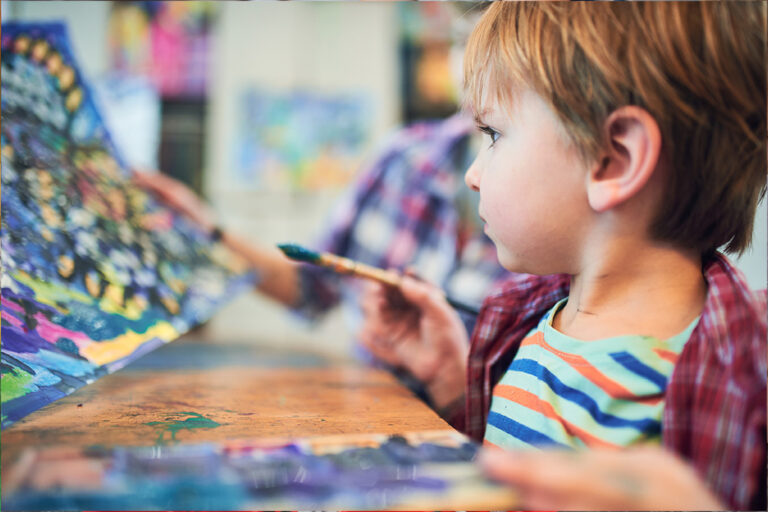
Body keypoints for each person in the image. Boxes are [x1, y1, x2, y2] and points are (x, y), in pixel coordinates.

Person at [358, 2, 766, 510]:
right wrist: (451, 385)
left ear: (613, 160)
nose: (473, 173)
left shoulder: (737, 383)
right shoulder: (535, 323)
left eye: (493, 134)